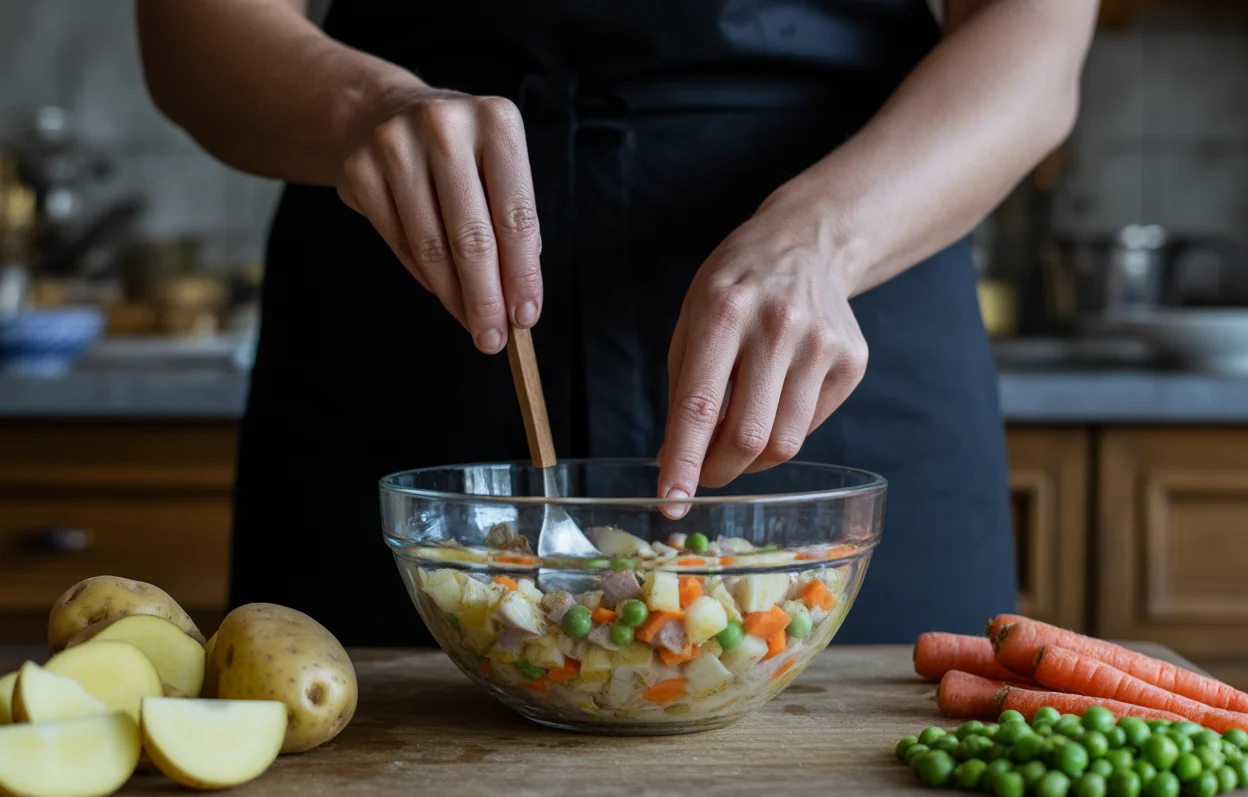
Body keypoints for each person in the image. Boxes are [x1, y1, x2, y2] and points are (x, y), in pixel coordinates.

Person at [136, 0, 1096, 647]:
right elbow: (196, 31)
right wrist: (363, 108)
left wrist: (828, 237)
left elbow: (1038, 41)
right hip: (401, 298)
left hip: (850, 274)